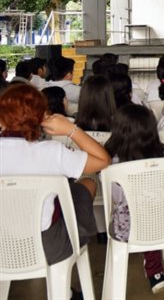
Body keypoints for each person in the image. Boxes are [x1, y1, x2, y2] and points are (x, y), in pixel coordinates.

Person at [0, 84, 110, 275]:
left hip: (3, 244)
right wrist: (71, 130)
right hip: (48, 247)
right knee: (87, 179)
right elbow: (103, 160)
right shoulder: (52, 152)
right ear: (42, 117)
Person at [104, 104, 164, 292]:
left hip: (125, 228)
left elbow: (116, 198)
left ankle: (153, 271)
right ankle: (154, 271)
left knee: (140, 214)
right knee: (155, 213)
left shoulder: (109, 161)